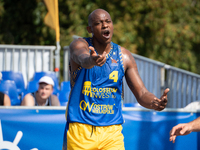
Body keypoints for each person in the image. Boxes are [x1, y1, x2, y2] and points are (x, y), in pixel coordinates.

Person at [63, 9, 170, 150]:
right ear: (90, 29)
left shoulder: (124, 56)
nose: (105, 25)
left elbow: (142, 93)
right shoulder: (79, 45)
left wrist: (154, 102)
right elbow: (82, 58)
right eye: (98, 23)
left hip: (112, 132)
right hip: (81, 129)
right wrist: (91, 60)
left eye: (108, 21)